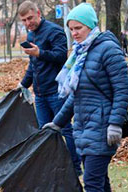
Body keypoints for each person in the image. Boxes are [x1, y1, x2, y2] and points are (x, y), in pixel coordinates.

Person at [43, 3, 128, 192]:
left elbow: (122, 91)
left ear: (90, 25)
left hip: (102, 127)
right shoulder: (81, 52)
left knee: (92, 181)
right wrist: (57, 123)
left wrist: (114, 124)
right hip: (85, 126)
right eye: (71, 29)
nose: (74, 33)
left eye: (78, 27)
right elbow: (75, 95)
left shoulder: (108, 50)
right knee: (100, 180)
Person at [16, 0, 82, 175]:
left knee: (66, 129)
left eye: (30, 18)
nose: (28, 23)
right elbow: (33, 65)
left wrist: (40, 53)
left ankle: (75, 168)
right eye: (24, 20)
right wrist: (23, 85)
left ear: (38, 13)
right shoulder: (30, 36)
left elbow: (62, 57)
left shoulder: (54, 31)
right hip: (40, 94)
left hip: (57, 91)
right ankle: (53, 168)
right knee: (44, 132)